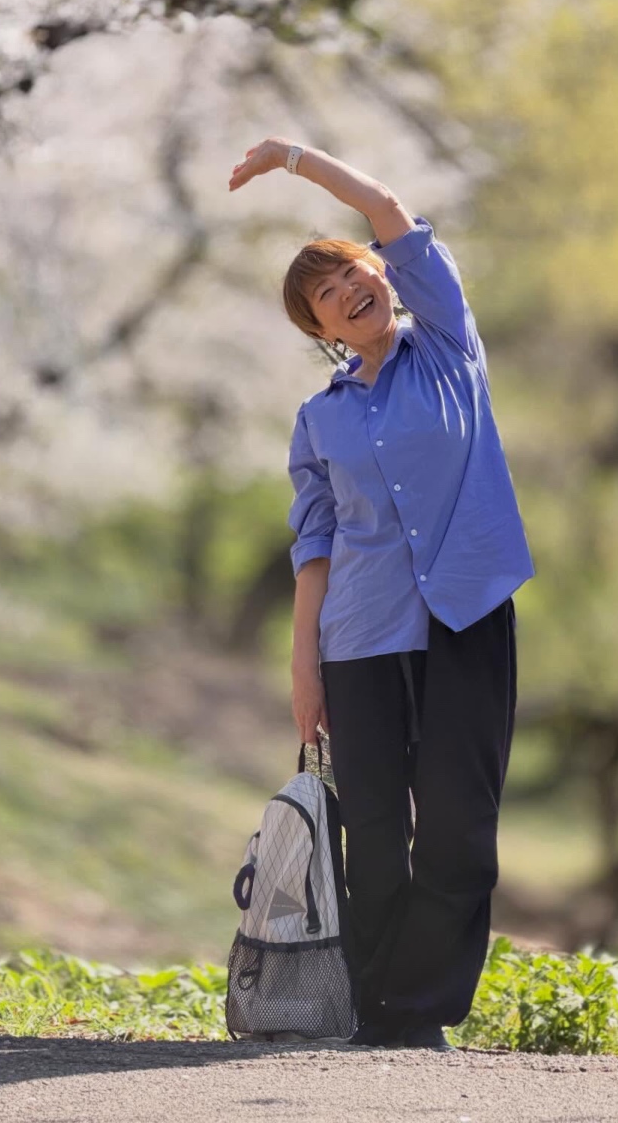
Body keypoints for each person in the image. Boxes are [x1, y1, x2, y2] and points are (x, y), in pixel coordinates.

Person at [228, 137, 534, 1051]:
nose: (351, 290)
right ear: (316, 324)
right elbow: (315, 545)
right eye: (327, 292)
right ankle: (368, 1009)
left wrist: (295, 158)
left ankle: (418, 1009)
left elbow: (394, 213)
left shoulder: (448, 345)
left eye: (356, 271)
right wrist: (303, 671)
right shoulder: (319, 419)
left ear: (383, 275)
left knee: (456, 824)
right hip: (357, 638)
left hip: (468, 618)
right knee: (370, 828)